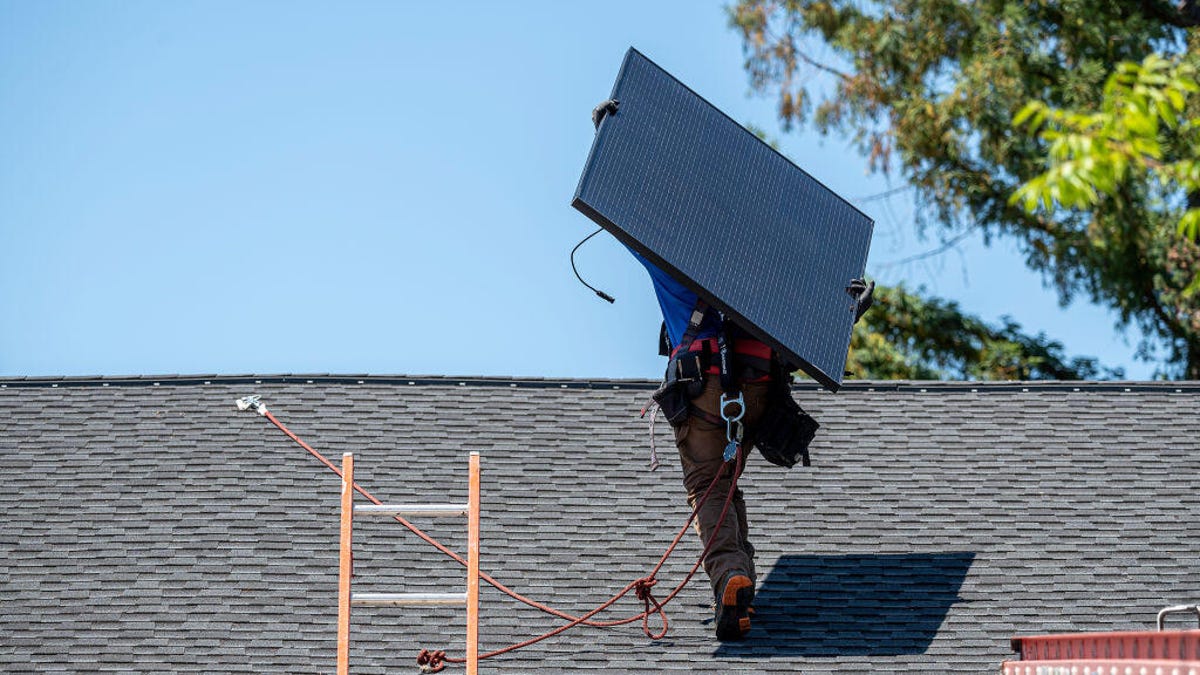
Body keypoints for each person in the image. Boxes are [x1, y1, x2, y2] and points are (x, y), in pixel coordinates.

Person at [631, 248, 873, 641]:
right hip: (757, 393)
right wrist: (841, 312)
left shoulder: (673, 257)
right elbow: (798, 342)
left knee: (707, 485)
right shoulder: (765, 268)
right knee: (724, 484)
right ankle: (739, 591)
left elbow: (629, 224)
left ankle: (731, 576)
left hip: (704, 390)